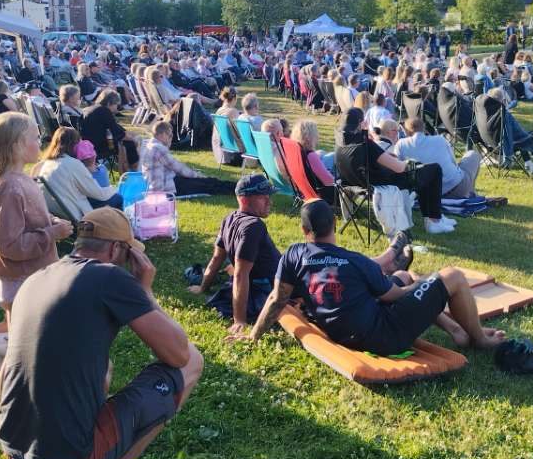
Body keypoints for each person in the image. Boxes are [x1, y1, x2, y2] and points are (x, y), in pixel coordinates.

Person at [0, 207, 203, 459]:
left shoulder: (38, 277)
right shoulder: (109, 277)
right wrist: (145, 291)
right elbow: (179, 354)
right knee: (193, 364)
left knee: (99, 366)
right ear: (118, 249)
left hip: (15, 455)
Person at [227, 200, 506, 355]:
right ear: (334, 225)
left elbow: (277, 298)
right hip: (383, 336)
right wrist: (433, 284)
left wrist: (253, 334)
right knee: (452, 276)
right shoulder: (355, 261)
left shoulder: (294, 255)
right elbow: (394, 297)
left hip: (342, 329)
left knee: (401, 275)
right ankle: (479, 339)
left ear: (303, 229)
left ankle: (457, 330)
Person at [0, 113, 72, 373]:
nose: (41, 141)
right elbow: (10, 245)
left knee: (30, 342)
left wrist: (50, 220)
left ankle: (1, 362)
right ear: (16, 146)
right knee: (30, 346)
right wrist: (51, 233)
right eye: (35, 137)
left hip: (30, 278)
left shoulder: (21, 179)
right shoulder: (10, 188)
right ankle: (14, 381)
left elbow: (28, 220)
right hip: (22, 282)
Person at [335, 108, 454, 234]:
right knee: (434, 169)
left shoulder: (341, 144)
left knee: (424, 173)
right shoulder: (365, 144)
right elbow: (399, 167)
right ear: (360, 123)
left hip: (359, 184)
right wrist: (408, 162)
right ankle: (434, 220)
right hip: (385, 184)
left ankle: (434, 219)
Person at [188, 175, 281, 333]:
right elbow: (240, 274)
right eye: (262, 197)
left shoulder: (229, 218)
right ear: (244, 200)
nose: (269, 202)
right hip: (269, 286)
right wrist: (239, 320)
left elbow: (218, 258)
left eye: (269, 197)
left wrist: (202, 287)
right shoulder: (253, 226)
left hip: (262, 280)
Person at [34, 127, 122, 220]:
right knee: (118, 198)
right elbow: (99, 194)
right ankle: (117, 230)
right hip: (77, 215)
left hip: (58, 213)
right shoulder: (72, 164)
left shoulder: (45, 163)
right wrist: (115, 188)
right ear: (75, 145)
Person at [393, 117, 485, 200]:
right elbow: (454, 163)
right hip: (456, 189)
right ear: (423, 128)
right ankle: (471, 194)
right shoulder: (440, 140)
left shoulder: (401, 145)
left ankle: (470, 193)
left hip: (424, 194)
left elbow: (397, 170)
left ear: (406, 131)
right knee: (472, 154)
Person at [140, 121, 236, 196]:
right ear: (162, 134)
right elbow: (179, 168)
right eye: (170, 135)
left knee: (208, 182)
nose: (170, 138)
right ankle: (237, 189)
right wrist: (198, 175)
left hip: (164, 184)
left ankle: (237, 187)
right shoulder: (158, 148)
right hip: (169, 188)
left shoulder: (149, 145)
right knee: (209, 184)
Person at [82, 90, 139, 171]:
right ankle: (133, 169)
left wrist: (126, 133)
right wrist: (133, 138)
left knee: (128, 140)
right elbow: (117, 133)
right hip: (99, 146)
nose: (117, 108)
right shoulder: (104, 111)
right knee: (129, 143)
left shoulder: (91, 109)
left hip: (88, 144)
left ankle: (130, 167)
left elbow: (115, 127)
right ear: (109, 103)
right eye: (116, 105)